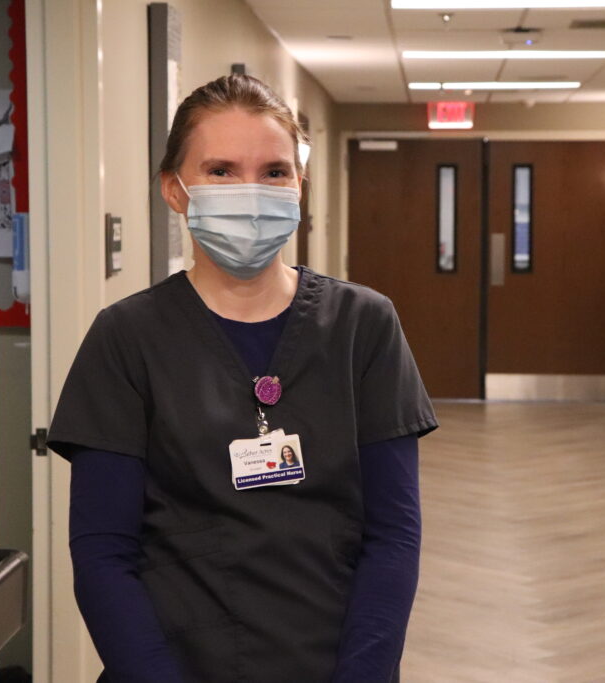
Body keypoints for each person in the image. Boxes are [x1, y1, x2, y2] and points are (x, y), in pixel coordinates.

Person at [47, 74, 437, 683]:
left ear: (300, 187)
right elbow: (102, 554)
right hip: (172, 664)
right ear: (175, 191)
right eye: (221, 171)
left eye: (274, 172)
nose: (250, 192)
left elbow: (394, 537)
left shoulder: (363, 326)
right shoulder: (126, 338)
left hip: (333, 660)